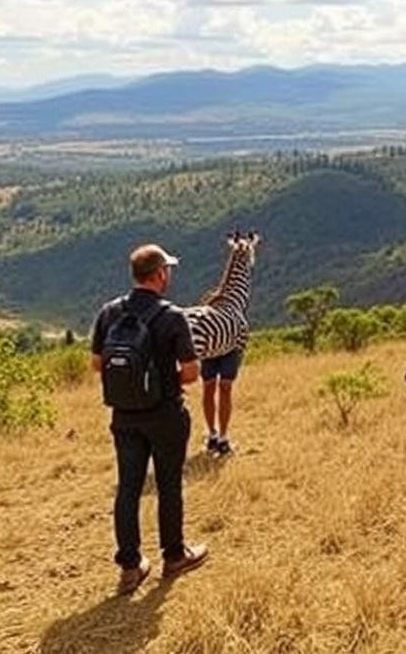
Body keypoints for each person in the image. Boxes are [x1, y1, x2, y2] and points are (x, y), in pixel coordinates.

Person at [90, 243, 208, 595]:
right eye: (167, 269)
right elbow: (190, 374)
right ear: (159, 274)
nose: (168, 274)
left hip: (124, 416)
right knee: (169, 484)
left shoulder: (110, 312)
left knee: (128, 487)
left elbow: (97, 365)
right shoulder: (172, 316)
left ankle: (130, 567)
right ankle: (174, 556)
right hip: (166, 415)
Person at [201, 349, 242, 456]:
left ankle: (223, 438)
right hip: (206, 350)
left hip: (230, 348)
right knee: (209, 388)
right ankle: (212, 435)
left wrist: (240, 347)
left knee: (226, 388)